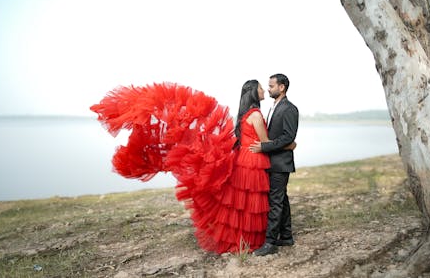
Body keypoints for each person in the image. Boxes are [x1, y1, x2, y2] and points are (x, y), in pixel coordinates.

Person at [90, 80, 279, 253]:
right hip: (253, 161)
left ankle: (243, 240)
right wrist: (288, 144)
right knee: (252, 201)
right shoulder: (255, 115)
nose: (264, 90)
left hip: (243, 159)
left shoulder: (245, 114)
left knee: (242, 202)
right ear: (254, 92)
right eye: (261, 88)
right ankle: (253, 240)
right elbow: (265, 141)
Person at [250, 73, 299, 256]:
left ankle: (270, 243)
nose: (268, 89)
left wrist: (265, 147)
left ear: (282, 87)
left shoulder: (289, 109)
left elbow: (288, 137)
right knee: (282, 199)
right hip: (274, 162)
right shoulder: (274, 107)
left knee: (275, 202)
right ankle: (286, 236)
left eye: (271, 86)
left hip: (281, 163)